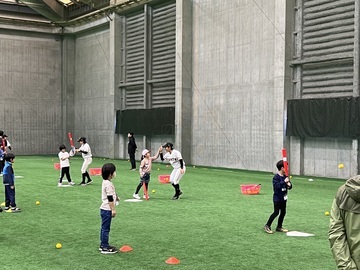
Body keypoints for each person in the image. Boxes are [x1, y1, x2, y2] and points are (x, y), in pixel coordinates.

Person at [329, 175, 360, 269]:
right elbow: (336, 233)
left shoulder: (343, 192)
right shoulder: (344, 193)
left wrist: (348, 267)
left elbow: (336, 233)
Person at [263, 160, 292, 234]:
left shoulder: (286, 176)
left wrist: (289, 185)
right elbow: (276, 187)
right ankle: (267, 226)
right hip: (277, 198)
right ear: (282, 168)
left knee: (283, 212)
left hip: (284, 198)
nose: (287, 168)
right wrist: (284, 182)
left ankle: (279, 226)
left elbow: (290, 186)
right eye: (286, 167)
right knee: (276, 212)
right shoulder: (276, 177)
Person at [99, 163, 119, 254]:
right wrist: (113, 209)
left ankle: (103, 244)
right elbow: (110, 197)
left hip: (104, 209)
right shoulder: (109, 184)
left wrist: (117, 197)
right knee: (106, 229)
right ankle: (105, 247)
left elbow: (111, 194)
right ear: (110, 174)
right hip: (107, 209)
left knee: (104, 228)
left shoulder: (106, 182)